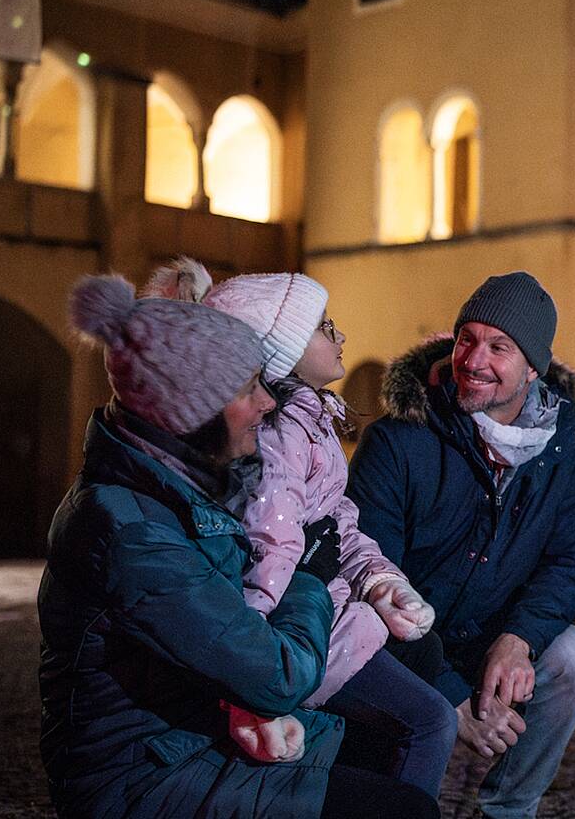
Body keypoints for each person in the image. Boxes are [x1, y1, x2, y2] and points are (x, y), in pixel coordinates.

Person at [40, 274, 437, 819]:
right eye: (247, 388)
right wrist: (310, 578)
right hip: (145, 778)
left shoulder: (184, 482)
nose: (265, 402)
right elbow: (275, 676)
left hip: (190, 739)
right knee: (402, 805)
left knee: (386, 742)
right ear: (193, 412)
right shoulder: (132, 533)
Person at [143, 258, 458, 796]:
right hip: (299, 633)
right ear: (282, 350)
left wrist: (381, 582)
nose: (339, 335)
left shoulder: (311, 420)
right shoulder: (284, 432)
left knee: (421, 661)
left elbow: (340, 521)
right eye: (322, 326)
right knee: (430, 723)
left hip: (327, 613)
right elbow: (270, 549)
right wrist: (252, 685)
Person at [349, 271, 575, 819]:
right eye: (467, 337)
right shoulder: (400, 440)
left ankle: (508, 810)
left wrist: (519, 639)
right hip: (402, 643)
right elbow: (368, 579)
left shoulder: (561, 443)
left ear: (532, 367)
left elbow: (574, 559)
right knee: (420, 737)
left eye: (499, 346)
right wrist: (449, 694)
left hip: (491, 634)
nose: (473, 359)